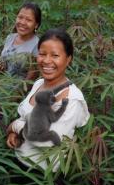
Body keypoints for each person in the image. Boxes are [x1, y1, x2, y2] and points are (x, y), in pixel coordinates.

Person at [6, 29, 90, 172]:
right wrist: (15, 134)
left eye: (55, 55)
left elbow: (46, 141)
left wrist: (15, 126)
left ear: (68, 58)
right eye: (42, 54)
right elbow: (25, 115)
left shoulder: (72, 98)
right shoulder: (39, 84)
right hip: (18, 162)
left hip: (42, 174)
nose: (46, 61)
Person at [0, 2, 41, 79]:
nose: (22, 22)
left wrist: (16, 91)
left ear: (36, 24)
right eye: (20, 17)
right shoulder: (10, 38)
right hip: (1, 86)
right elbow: (5, 68)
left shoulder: (37, 45)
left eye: (28, 20)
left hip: (18, 90)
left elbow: (30, 81)